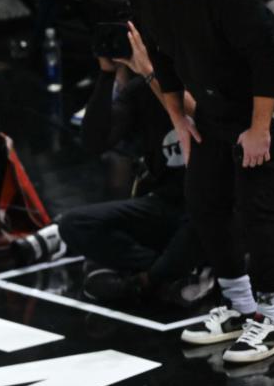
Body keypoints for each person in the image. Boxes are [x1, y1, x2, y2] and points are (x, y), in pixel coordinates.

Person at [128, 0, 274, 365]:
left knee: (257, 200)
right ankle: (239, 306)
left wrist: (258, 129)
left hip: (273, 93)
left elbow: (266, 58)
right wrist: (180, 123)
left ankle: (272, 320)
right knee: (204, 197)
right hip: (217, 97)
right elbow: (162, 58)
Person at [58, 28, 204, 304]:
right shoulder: (141, 90)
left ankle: (152, 278)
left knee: (204, 221)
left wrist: (150, 72)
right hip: (165, 203)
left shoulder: (209, 82)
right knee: (74, 224)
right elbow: (95, 142)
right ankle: (171, 269)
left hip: (211, 205)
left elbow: (198, 113)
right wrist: (106, 74)